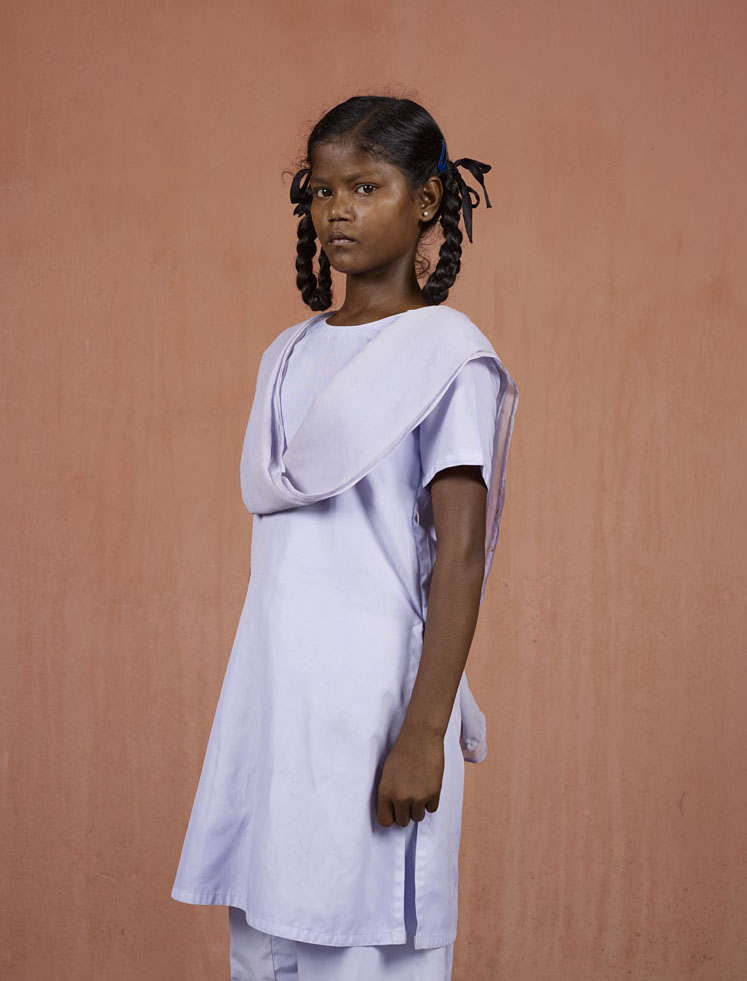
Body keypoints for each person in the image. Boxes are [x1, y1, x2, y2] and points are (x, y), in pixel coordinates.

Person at [171, 94, 519, 981]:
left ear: (428, 202)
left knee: (362, 941)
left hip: (378, 710)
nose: (338, 211)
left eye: (366, 187)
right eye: (321, 191)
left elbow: (464, 552)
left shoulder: (445, 353)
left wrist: (423, 731)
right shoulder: (286, 353)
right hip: (278, 700)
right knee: (269, 936)